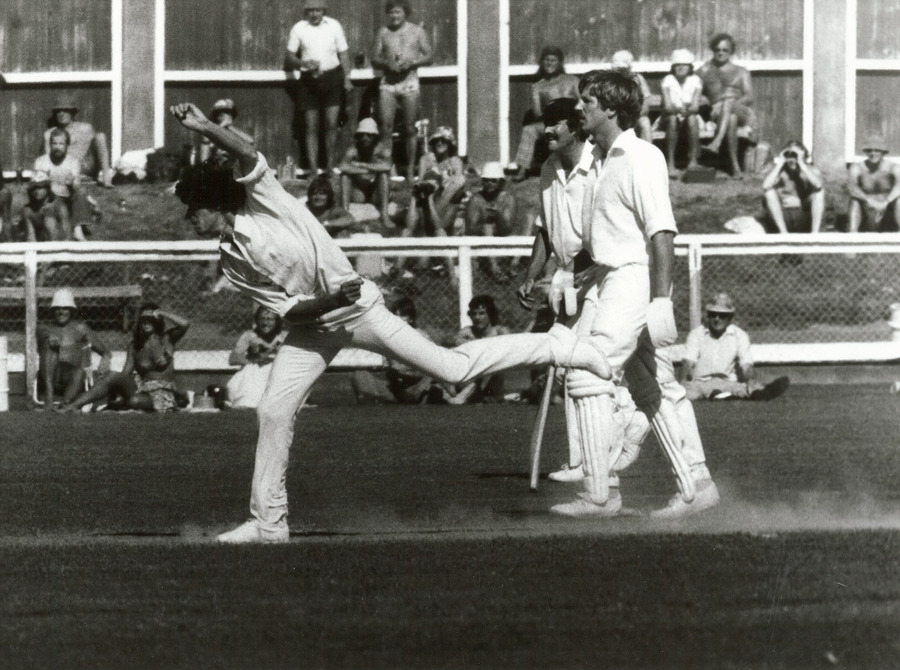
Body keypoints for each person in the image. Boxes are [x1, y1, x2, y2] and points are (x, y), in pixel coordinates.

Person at [169, 100, 613, 543]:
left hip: (360, 309)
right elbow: (291, 311)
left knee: (451, 368)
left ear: (212, 201)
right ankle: (269, 524)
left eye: (194, 210)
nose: (191, 221)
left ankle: (560, 347)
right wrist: (324, 302)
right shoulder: (230, 261)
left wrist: (205, 126)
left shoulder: (262, 198)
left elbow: (246, 153)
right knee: (272, 409)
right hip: (315, 324)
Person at [547, 70, 719, 519]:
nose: (579, 108)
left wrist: (660, 298)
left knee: (585, 371)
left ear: (610, 108)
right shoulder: (599, 161)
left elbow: (661, 231)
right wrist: (568, 274)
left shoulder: (641, 155)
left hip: (634, 279)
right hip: (609, 279)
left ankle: (600, 495)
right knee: (646, 385)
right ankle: (694, 487)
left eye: (587, 101)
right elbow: (605, 239)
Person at [59, 303, 190, 413]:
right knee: (112, 376)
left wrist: (161, 312)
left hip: (162, 394)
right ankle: (73, 406)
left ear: (157, 321)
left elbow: (185, 324)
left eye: (150, 320)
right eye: (143, 320)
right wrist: (111, 384)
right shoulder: (135, 346)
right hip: (142, 390)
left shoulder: (167, 339)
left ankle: (116, 404)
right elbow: (125, 374)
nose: (146, 323)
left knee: (134, 400)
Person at [284, 0, 355, 173]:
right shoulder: (299, 28)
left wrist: (347, 78)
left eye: (318, 10)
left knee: (332, 124)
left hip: (332, 78)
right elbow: (289, 58)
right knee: (311, 127)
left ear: (324, 10)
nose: (315, 14)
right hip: (309, 81)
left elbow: (343, 53)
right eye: (311, 11)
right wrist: (303, 62)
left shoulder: (334, 26)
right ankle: (314, 170)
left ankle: (330, 167)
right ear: (306, 12)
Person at [682, 293, 790, 401]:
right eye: (713, 314)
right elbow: (688, 362)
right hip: (700, 384)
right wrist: (681, 383)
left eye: (722, 315)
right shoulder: (697, 334)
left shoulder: (740, 335)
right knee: (687, 393)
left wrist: (750, 380)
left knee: (746, 388)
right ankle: (723, 396)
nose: (717, 319)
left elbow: (746, 365)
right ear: (708, 315)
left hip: (727, 383)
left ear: (730, 317)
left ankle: (761, 392)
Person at [371, 0, 433, 181]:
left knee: (409, 128)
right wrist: (386, 63)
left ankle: (410, 170)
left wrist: (412, 62)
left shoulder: (417, 31)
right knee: (385, 127)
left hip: (409, 82)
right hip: (389, 84)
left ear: (406, 13)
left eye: (398, 12)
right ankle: (387, 169)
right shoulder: (383, 32)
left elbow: (429, 56)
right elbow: (374, 58)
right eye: (391, 12)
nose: (394, 16)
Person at [350, 297, 443, 405]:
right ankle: (380, 400)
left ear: (411, 318)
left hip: (416, 383)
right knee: (359, 375)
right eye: (395, 316)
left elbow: (434, 365)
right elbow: (385, 364)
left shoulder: (421, 336)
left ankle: (415, 398)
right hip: (395, 382)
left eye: (402, 316)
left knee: (433, 383)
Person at [508, 46, 580, 181]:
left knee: (566, 130)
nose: (549, 63)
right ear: (542, 62)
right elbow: (537, 114)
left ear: (560, 63)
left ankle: (568, 168)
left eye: (553, 60)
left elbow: (583, 102)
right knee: (529, 129)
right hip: (550, 121)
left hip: (572, 121)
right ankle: (523, 169)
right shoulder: (538, 86)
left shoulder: (572, 80)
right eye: (546, 60)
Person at [36, 288, 111, 408]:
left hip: (72, 379)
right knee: (50, 349)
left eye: (65, 308)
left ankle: (65, 404)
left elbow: (105, 351)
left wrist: (105, 359)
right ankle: (49, 401)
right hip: (50, 379)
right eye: (57, 309)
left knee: (81, 370)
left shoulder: (80, 328)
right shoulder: (44, 329)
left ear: (71, 310)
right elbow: (40, 347)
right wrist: (48, 341)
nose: (61, 312)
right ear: (53, 311)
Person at [697, 33, 758, 177]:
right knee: (730, 119)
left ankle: (716, 143)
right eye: (717, 49)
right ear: (713, 50)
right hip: (717, 113)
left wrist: (730, 104)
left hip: (741, 110)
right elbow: (694, 90)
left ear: (731, 51)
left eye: (725, 50)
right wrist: (702, 97)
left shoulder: (741, 71)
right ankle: (735, 167)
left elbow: (749, 96)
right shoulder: (704, 71)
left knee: (728, 102)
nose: (721, 53)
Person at [450, 295, 512, 404]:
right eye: (474, 314)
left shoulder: (500, 332)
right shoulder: (467, 333)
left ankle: (465, 394)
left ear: (490, 314)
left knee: (491, 360)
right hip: (470, 380)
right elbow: (451, 342)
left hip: (492, 382)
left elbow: (510, 348)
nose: (477, 318)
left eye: (482, 313)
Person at [33, 128, 90, 240]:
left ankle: (78, 230)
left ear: (67, 145)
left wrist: (71, 183)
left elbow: (76, 186)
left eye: (61, 144)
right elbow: (35, 187)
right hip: (48, 199)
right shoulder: (41, 161)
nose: (57, 147)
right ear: (50, 144)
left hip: (67, 199)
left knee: (81, 191)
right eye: (54, 143)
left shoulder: (73, 162)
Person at [464, 161, 518, 279]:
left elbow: (507, 229)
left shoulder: (508, 199)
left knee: (489, 227)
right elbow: (470, 228)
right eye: (486, 180)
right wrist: (486, 224)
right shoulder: (477, 199)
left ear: (501, 182)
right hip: (481, 242)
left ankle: (511, 266)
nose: (489, 183)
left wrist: (498, 214)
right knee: (487, 227)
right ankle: (495, 270)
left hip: (503, 240)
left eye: (493, 180)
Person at [227, 307, 288, 409]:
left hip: (278, 370)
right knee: (250, 372)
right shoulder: (250, 335)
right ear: (256, 320)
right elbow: (233, 358)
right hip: (256, 370)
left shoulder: (284, 336)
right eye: (262, 319)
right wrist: (254, 359)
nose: (265, 323)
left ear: (277, 321)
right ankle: (247, 401)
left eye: (270, 319)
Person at [43, 97, 113, 187]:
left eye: (66, 110)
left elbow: (98, 150)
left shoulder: (85, 128)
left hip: (86, 166)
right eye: (58, 111)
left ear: (73, 113)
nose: (61, 114)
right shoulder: (49, 133)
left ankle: (107, 180)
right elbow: (47, 159)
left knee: (100, 136)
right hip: (65, 169)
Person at [762, 140, 825, 234]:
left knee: (819, 193)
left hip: (803, 215)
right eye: (790, 154)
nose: (792, 158)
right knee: (769, 192)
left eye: (795, 154)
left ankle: (814, 234)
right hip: (783, 216)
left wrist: (801, 163)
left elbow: (818, 185)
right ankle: (784, 234)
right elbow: (765, 186)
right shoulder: (778, 171)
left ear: (804, 155)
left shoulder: (811, 171)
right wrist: (780, 163)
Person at [660, 49, 703, 177]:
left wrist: (686, 110)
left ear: (690, 67)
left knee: (692, 118)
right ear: (673, 67)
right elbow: (667, 107)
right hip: (668, 118)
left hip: (689, 117)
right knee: (673, 118)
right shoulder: (667, 80)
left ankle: (693, 161)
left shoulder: (696, 80)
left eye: (684, 65)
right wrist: (680, 109)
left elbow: (695, 106)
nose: (681, 68)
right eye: (677, 65)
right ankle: (670, 164)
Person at [338, 117, 394, 215]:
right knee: (345, 176)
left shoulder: (382, 149)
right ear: (358, 137)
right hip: (359, 192)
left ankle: (384, 214)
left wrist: (362, 165)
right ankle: (345, 213)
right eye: (362, 135)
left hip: (376, 191)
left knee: (384, 175)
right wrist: (367, 170)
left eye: (369, 135)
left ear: (375, 137)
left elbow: (387, 166)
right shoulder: (353, 150)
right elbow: (342, 167)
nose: (365, 138)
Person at [846, 135, 900, 233]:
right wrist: (868, 200)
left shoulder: (893, 167)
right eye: (869, 150)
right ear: (866, 152)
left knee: (899, 201)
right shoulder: (857, 167)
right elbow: (851, 187)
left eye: (877, 150)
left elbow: (899, 185)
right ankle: (852, 235)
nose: (873, 154)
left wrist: (886, 202)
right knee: (854, 201)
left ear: (883, 152)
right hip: (867, 207)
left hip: (887, 208)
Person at [610, 50, 653, 142]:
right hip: (615, 115)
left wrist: (637, 113)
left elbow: (646, 100)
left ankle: (648, 153)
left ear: (629, 68)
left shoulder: (638, 79)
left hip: (634, 115)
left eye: (623, 69)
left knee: (645, 122)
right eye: (618, 68)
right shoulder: (608, 81)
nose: (621, 71)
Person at [197, 99, 255, 164]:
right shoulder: (211, 129)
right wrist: (223, 125)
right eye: (220, 113)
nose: (224, 115)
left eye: (228, 112)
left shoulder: (234, 130)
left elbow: (251, 141)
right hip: (216, 167)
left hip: (234, 167)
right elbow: (205, 142)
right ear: (216, 115)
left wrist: (229, 126)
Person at [18, 173, 72, 242]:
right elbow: (30, 236)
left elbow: (68, 233)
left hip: (59, 243)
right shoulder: (29, 210)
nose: (36, 191)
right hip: (41, 245)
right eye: (33, 188)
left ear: (48, 188)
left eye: (40, 187)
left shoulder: (59, 205)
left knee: (49, 219)